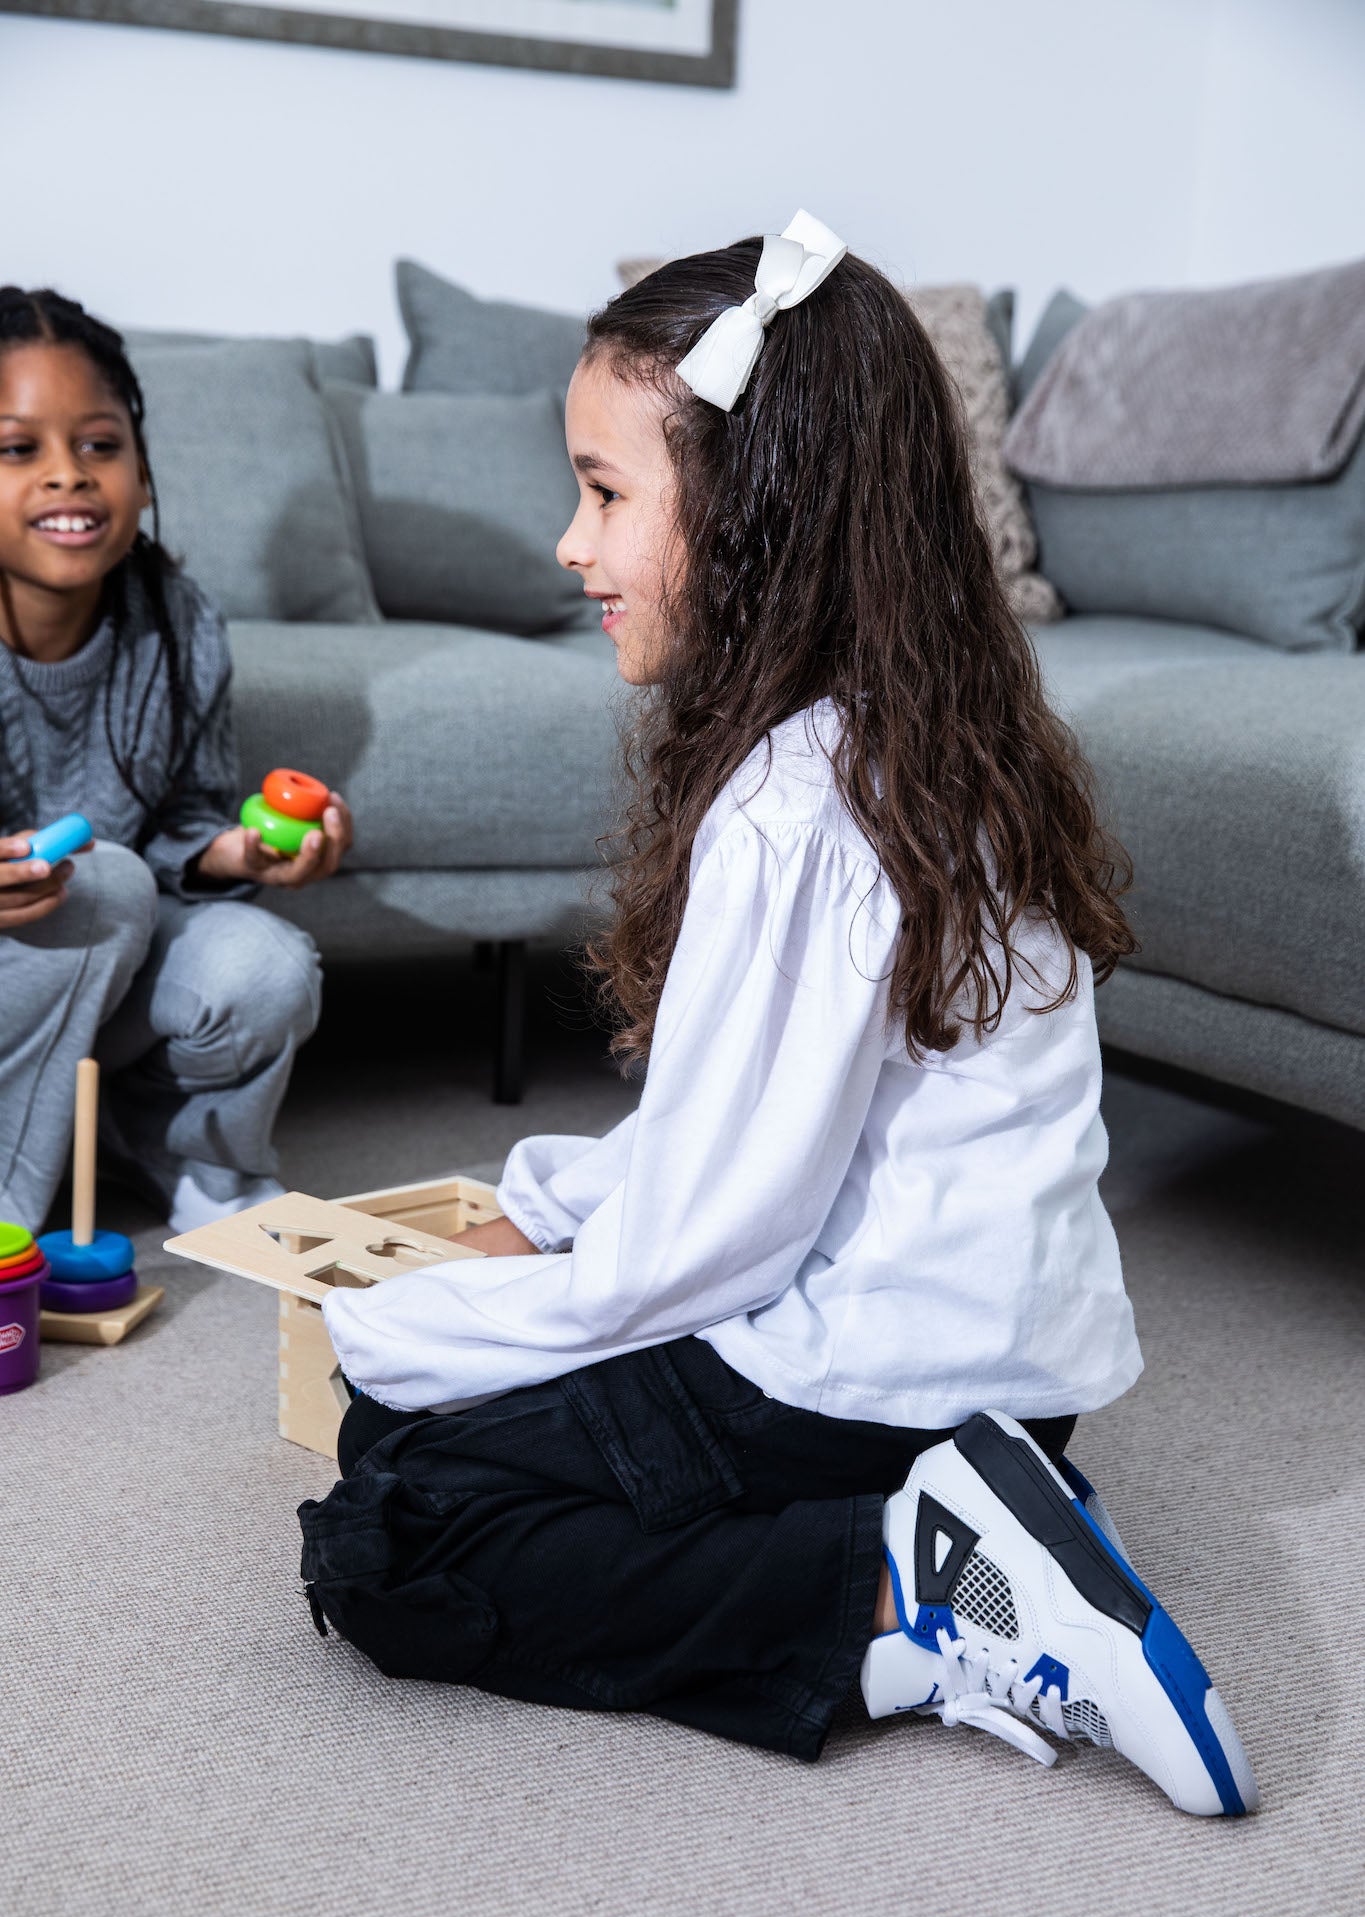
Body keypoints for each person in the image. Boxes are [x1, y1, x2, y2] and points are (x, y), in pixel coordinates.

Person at [298, 217, 1257, 1818]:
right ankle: (975, 1524)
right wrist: (554, 1219)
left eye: (607, 494)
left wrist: (425, 1331)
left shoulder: (797, 810)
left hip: (871, 1375)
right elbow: (772, 1139)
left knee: (395, 1515)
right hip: (1008, 1367)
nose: (569, 548)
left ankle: (906, 1594)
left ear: (754, 516)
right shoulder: (934, 735)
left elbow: (719, 1245)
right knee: (455, 1413)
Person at [0, 288, 353, 1236]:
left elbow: (185, 817)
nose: (68, 477)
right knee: (107, 882)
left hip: (103, 953)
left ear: (144, 474)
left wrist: (232, 855)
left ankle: (174, 1149)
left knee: (262, 967)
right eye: (17, 449)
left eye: (100, 446)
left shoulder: (177, 621)